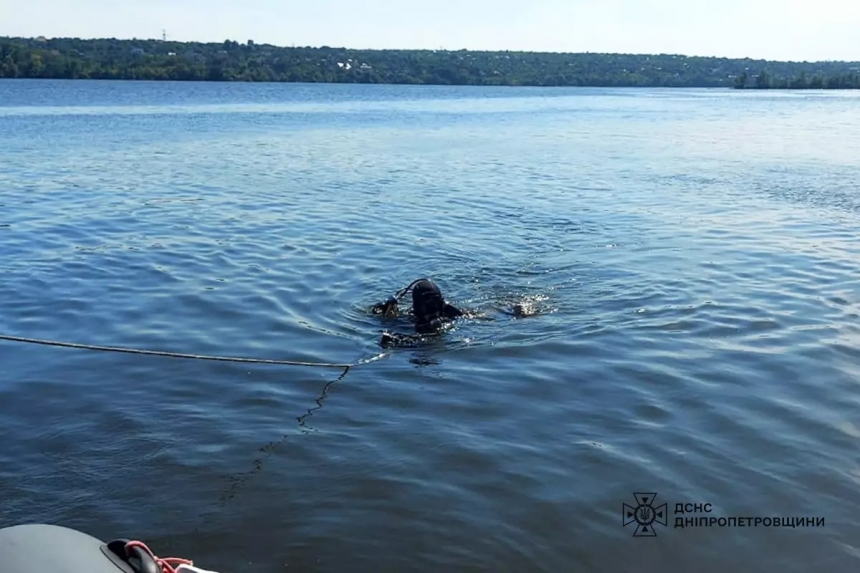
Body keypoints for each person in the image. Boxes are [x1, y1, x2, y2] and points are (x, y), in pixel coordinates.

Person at [371, 278, 464, 347]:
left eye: (436, 304)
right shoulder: (407, 321)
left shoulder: (448, 315)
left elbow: (472, 316)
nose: (433, 311)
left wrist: (450, 309)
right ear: (418, 307)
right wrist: (384, 309)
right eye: (429, 306)